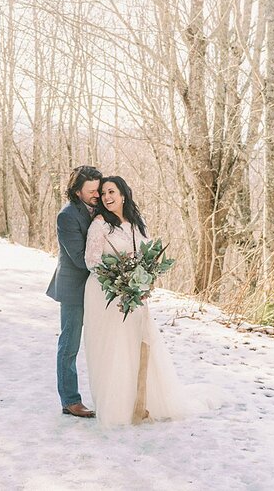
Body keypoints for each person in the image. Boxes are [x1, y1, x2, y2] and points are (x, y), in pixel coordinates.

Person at [83, 176, 194, 426]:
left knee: (137, 342)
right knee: (115, 347)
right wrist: (118, 280)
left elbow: (145, 254)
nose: (107, 197)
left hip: (135, 293)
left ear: (123, 193)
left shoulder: (136, 222)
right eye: (102, 194)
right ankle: (117, 409)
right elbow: (92, 261)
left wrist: (143, 279)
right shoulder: (100, 224)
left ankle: (143, 402)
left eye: (111, 191)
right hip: (106, 294)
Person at [46, 165, 103, 418]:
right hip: (73, 289)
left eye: (98, 190)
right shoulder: (67, 216)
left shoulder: (101, 210)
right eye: (91, 191)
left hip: (98, 289)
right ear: (77, 191)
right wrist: (116, 265)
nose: (97, 195)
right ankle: (70, 400)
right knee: (69, 345)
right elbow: (81, 259)